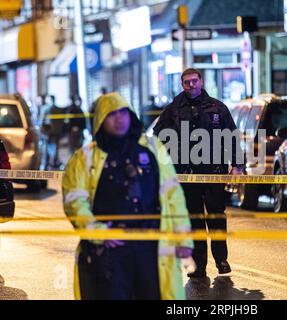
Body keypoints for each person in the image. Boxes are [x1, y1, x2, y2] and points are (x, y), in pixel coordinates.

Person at [62, 92, 193, 300]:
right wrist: (98, 233)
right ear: (101, 120)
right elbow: (74, 203)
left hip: (150, 250)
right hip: (109, 255)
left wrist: (184, 238)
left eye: (123, 112)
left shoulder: (152, 148)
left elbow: (173, 195)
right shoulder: (84, 158)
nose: (119, 118)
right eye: (112, 114)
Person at [153, 68, 245, 278]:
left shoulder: (217, 108)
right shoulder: (174, 109)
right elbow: (157, 136)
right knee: (194, 220)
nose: (191, 85)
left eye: (195, 81)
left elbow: (232, 137)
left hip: (213, 172)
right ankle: (198, 265)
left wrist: (237, 165)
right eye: (187, 82)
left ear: (201, 82)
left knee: (216, 217)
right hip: (186, 174)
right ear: (182, 84)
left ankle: (221, 260)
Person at [40, 95, 66, 169]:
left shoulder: (45, 109)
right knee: (55, 149)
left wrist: (42, 133)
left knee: (46, 150)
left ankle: (47, 164)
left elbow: (42, 122)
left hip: (48, 133)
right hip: (56, 132)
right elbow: (62, 121)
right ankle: (54, 163)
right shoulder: (58, 109)